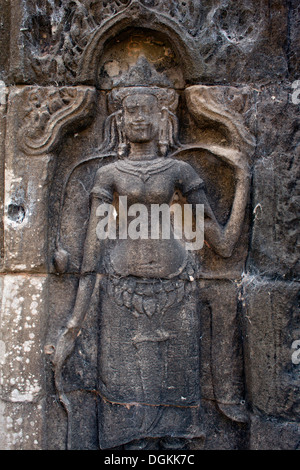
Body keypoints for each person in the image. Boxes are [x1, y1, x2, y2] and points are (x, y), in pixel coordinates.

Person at [53, 57, 250, 449]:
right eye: (131, 111)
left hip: (177, 296)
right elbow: (93, 254)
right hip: (121, 298)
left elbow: (223, 244)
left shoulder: (179, 172)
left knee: (176, 429)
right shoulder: (107, 175)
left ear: (163, 119)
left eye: (147, 110)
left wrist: (243, 177)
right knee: (125, 421)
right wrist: (73, 324)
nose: (139, 118)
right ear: (120, 120)